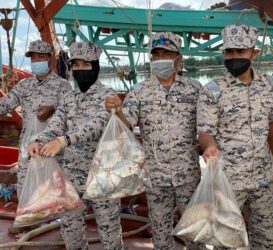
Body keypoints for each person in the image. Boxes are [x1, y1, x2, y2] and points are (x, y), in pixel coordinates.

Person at [105, 32, 204, 250]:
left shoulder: (195, 88)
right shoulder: (140, 90)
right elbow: (127, 123)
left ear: (178, 58)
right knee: (160, 235)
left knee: (195, 233)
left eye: (166, 53)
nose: (160, 59)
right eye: (156, 54)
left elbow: (208, 125)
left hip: (187, 175)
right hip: (155, 176)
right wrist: (117, 110)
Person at [29, 42, 123, 250]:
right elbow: (55, 125)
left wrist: (64, 140)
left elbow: (97, 126)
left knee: (109, 233)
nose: (80, 69)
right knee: (71, 233)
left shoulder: (108, 96)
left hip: (102, 175)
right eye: (76, 65)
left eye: (85, 64)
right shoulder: (68, 98)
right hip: (72, 175)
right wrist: (39, 141)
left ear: (95, 67)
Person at [197, 24, 273, 250]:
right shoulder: (212, 90)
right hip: (228, 180)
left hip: (262, 177)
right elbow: (205, 132)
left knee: (264, 240)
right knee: (227, 242)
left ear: (254, 53)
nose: (234, 57)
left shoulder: (268, 84)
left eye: (240, 51)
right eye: (229, 51)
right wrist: (209, 146)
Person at [0, 40, 71, 198]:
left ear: (50, 59)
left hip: (52, 151)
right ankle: (28, 223)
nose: (36, 61)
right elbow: (4, 105)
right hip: (27, 152)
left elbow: (69, 114)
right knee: (25, 194)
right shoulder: (24, 85)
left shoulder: (63, 86)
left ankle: (53, 223)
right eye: (33, 58)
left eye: (40, 57)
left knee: (52, 196)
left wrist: (52, 109)